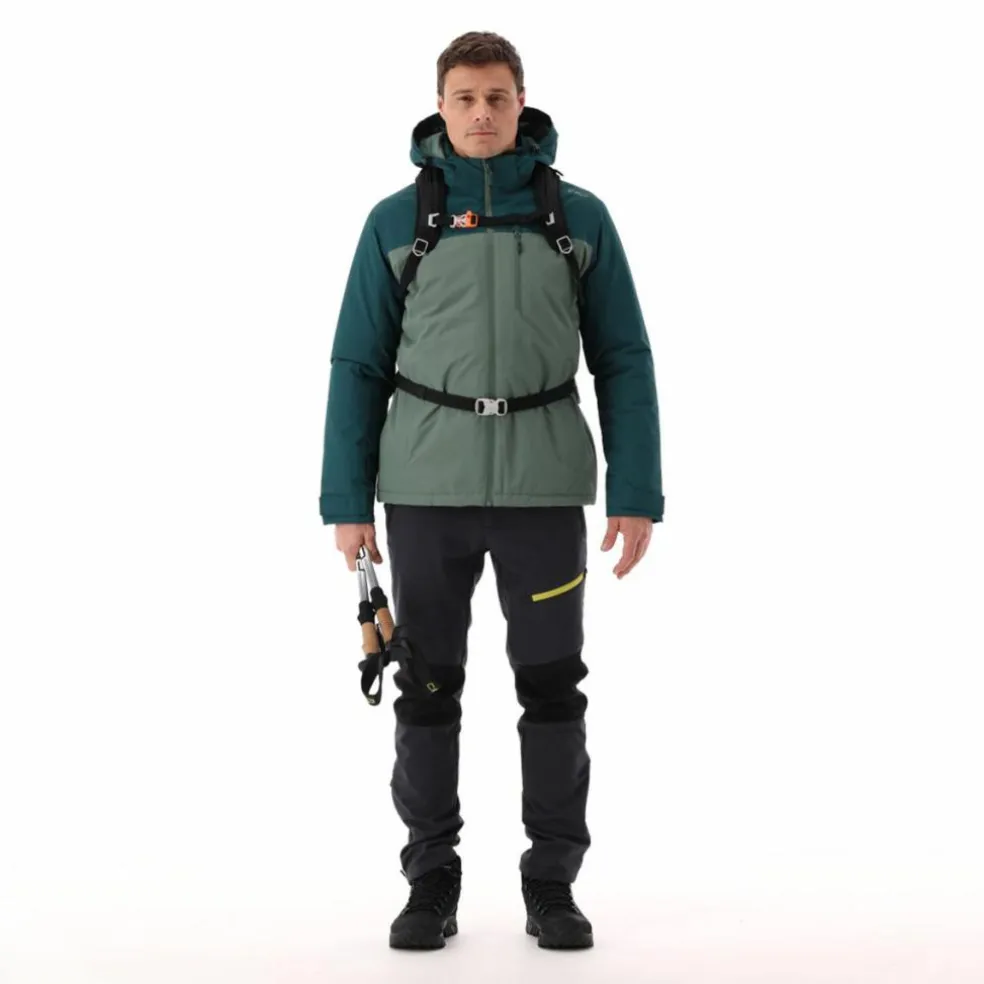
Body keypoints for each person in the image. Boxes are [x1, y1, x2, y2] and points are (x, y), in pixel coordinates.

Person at [319, 31, 664, 951]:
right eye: (465, 98)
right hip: (424, 493)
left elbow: (624, 358)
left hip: (545, 494)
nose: (481, 113)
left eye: (497, 97)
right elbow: (357, 365)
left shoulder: (577, 218)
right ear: (440, 106)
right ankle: (430, 879)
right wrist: (346, 504)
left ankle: (552, 883)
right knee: (427, 689)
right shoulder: (397, 222)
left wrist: (636, 490)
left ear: (522, 103)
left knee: (553, 690)